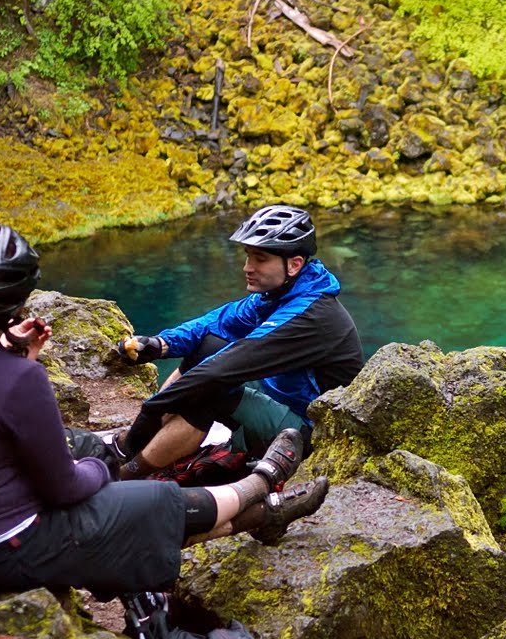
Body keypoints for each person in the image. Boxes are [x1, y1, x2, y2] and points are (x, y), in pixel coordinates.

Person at [0, 222, 329, 596]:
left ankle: (263, 515)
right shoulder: (19, 379)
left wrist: (8, 354)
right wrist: (102, 471)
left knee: (83, 447)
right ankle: (260, 486)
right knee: (149, 499)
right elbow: (64, 488)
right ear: (19, 298)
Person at [114, 204, 365, 480]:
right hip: (279, 406)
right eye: (248, 257)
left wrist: (153, 409)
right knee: (208, 346)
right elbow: (215, 323)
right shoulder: (281, 294)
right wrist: (161, 344)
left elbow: (220, 371)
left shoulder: (311, 315)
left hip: (308, 437)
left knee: (212, 388)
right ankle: (139, 445)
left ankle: (129, 474)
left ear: (294, 264)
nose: (248, 267)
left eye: (259, 259)